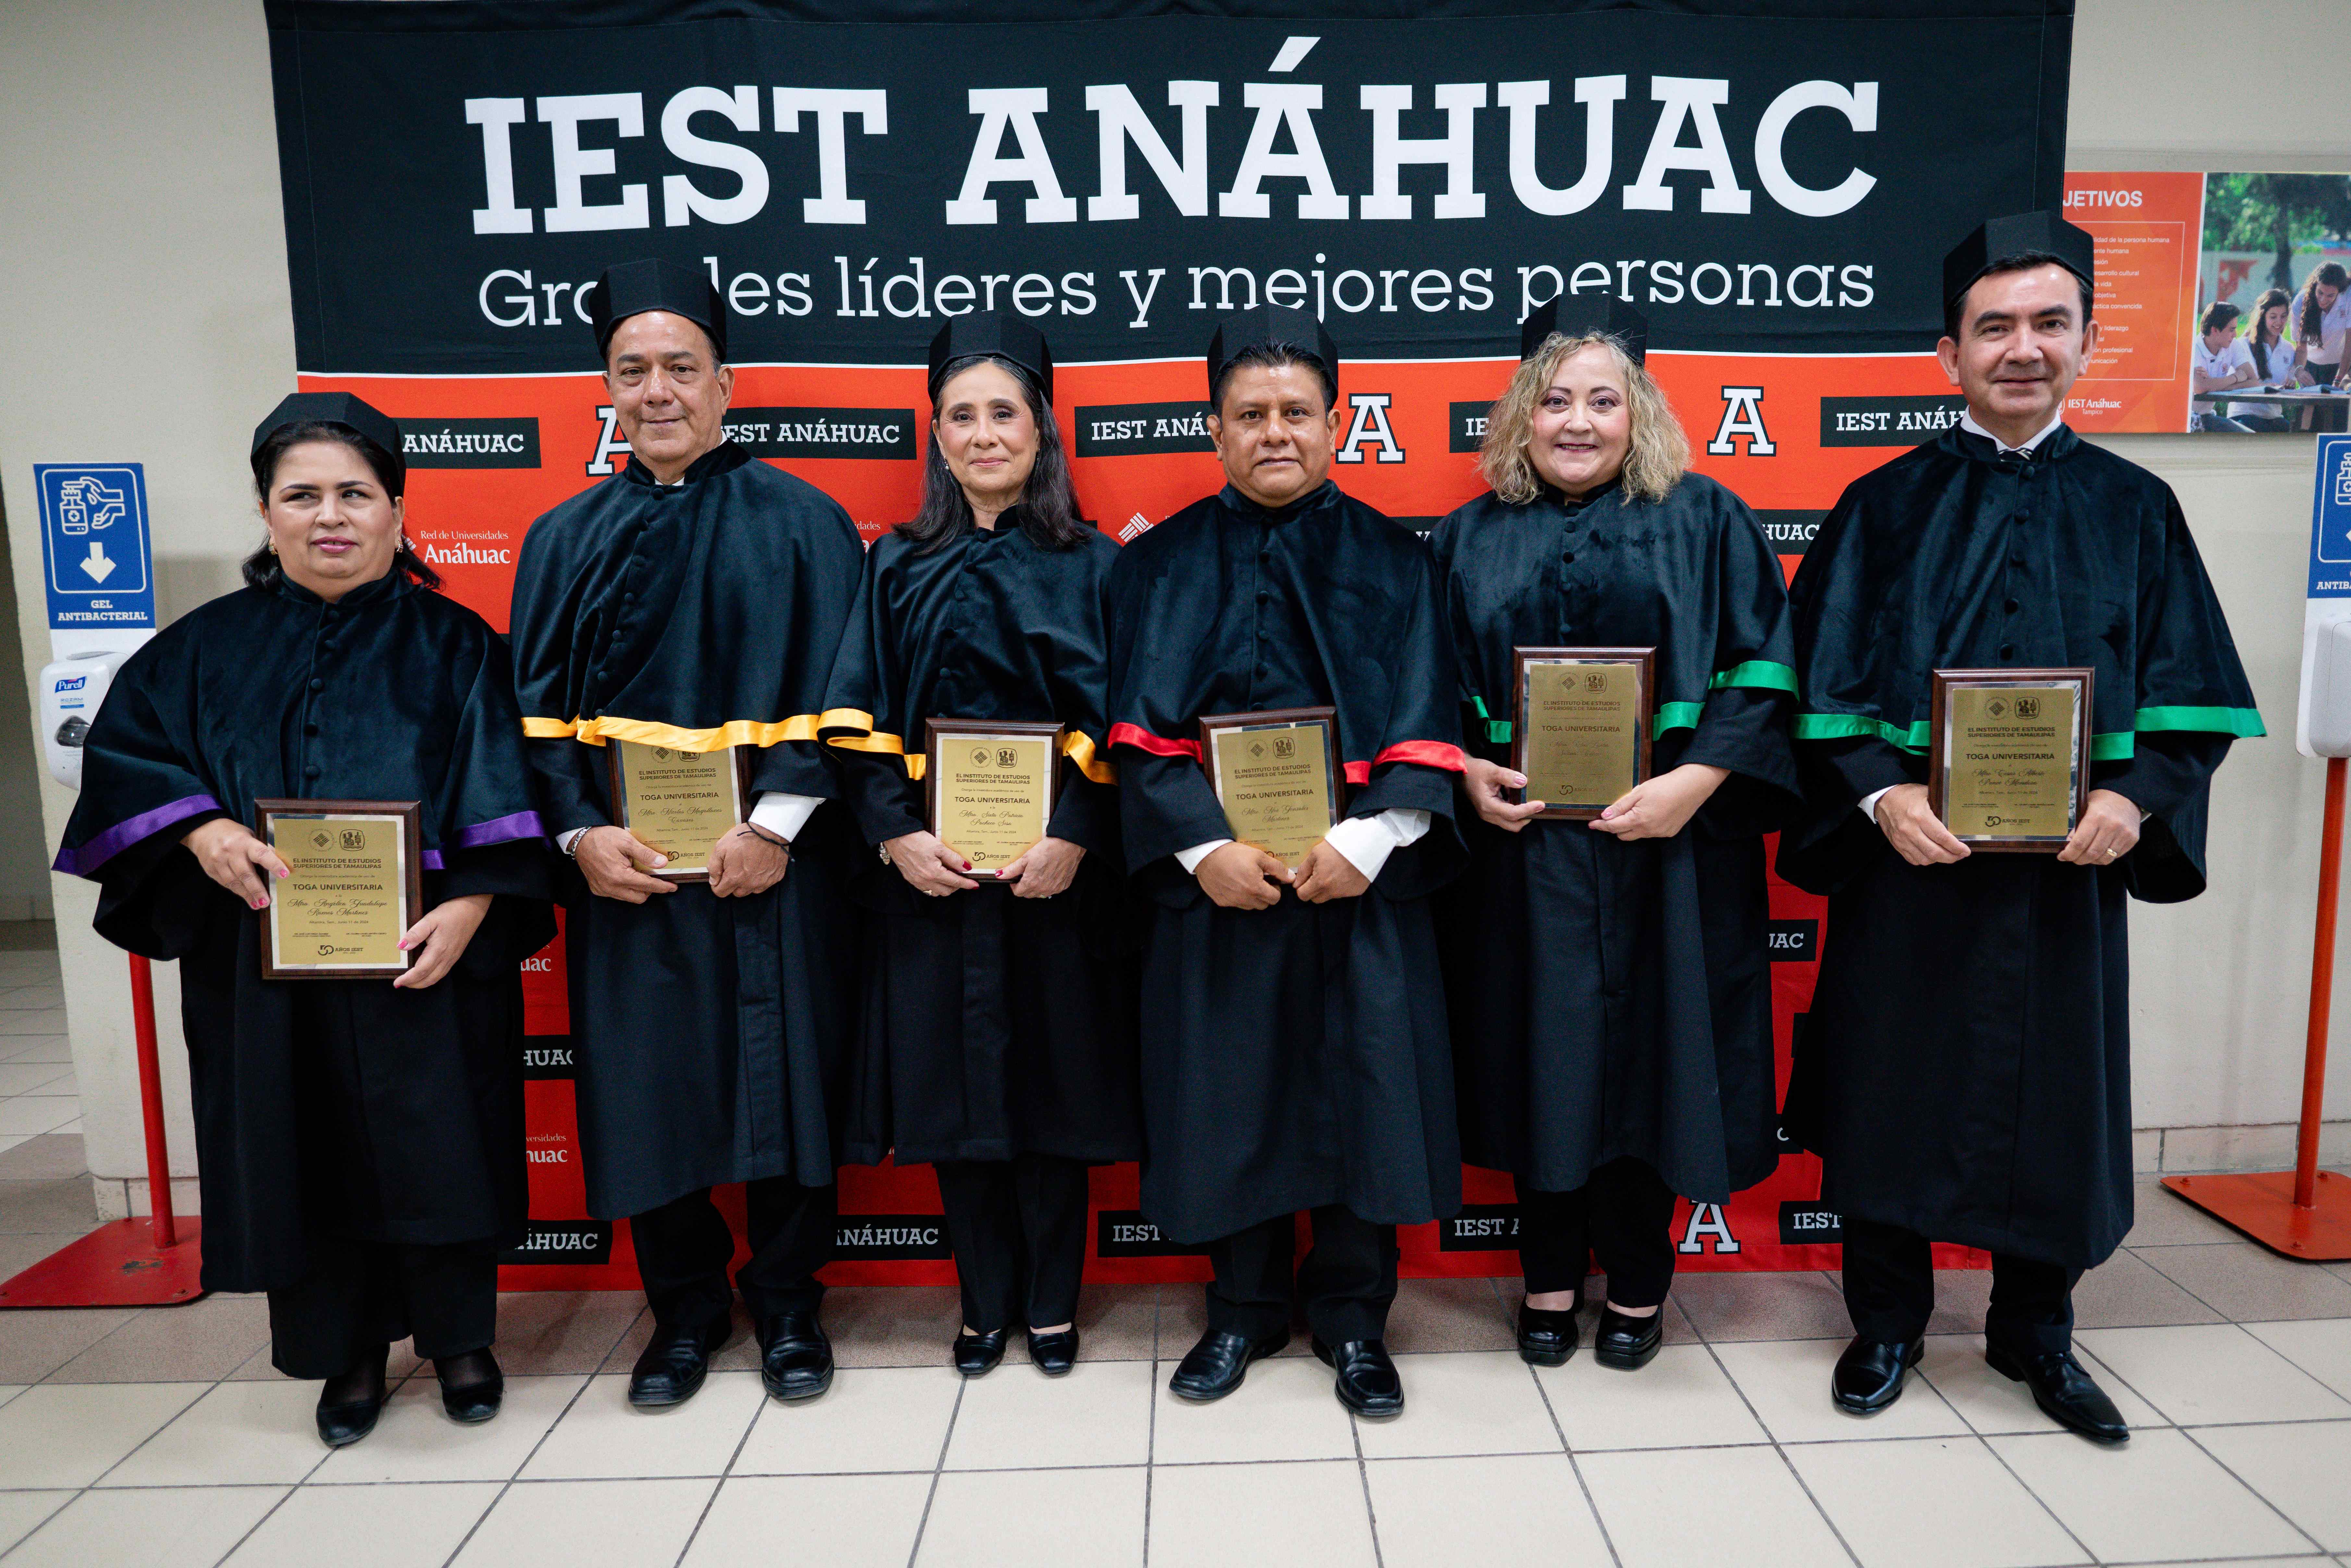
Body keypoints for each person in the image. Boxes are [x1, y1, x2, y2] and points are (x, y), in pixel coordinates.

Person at [1780, 212, 2262, 1444]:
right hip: (1909, 871)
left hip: (2062, 879)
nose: (2021, 347)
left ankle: (2033, 1333)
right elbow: (1814, 692)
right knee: (1888, 1092)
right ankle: (1885, 1324)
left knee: (2051, 1104)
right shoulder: (1879, 506)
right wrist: (1882, 795)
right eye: (1992, 326)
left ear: (2086, 342)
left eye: (2049, 323)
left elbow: (2189, 695)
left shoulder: (2136, 508)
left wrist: (2130, 798)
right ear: (1947, 352)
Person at [55, 394, 553, 1447]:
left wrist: (471, 905)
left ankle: (461, 1341)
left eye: (354, 494)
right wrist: (199, 831)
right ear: (266, 509)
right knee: (298, 1149)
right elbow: (130, 763)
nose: (330, 516)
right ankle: (347, 1356)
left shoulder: (460, 648)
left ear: (396, 511)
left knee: (441, 1145)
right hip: (264, 967)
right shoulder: (197, 654)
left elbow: (511, 791)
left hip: (423, 960)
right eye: (303, 495)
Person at [508, 260, 864, 1410]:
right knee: (648, 1092)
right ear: (607, 389)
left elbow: (844, 693)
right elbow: (535, 720)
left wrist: (775, 824)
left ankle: (791, 1305)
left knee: (787, 1083)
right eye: (632, 370)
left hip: (777, 867)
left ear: (724, 383)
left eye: (679, 366)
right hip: (632, 875)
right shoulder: (562, 538)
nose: (655, 390)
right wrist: (578, 835)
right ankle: (686, 1312)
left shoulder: (805, 523)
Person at [1106, 306, 1467, 1419]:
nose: (1275, 432)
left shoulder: (1400, 562)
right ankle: (1242, 1310)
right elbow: (1133, 732)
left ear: (1336, 424)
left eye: (1296, 412)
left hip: (1355, 886)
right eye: (1250, 413)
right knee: (1228, 1098)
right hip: (1217, 893)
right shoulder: (1154, 566)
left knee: (1363, 1096)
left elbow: (1426, 718)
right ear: (1214, 428)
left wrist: (1367, 841)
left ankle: (1355, 1320)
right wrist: (1202, 848)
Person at [1429, 298, 1798, 1371]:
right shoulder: (1467, 537)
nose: (1578, 421)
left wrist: (1696, 780)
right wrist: (1465, 772)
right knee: (1539, 1064)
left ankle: (1638, 1285)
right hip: (1524, 857)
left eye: (1603, 399)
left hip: (1669, 852)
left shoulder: (1708, 520)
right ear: (1522, 414)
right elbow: (1426, 690)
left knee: (1654, 1067)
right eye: (1555, 401)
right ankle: (1546, 1280)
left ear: (1638, 411)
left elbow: (1765, 673)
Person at [820, 314, 1139, 1378]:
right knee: (952, 1102)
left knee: (1052, 1097)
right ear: (937, 435)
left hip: (1056, 884)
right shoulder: (893, 565)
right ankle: (982, 1302)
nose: (984, 434)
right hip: (934, 884)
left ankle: (1050, 1305)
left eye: (1004, 413)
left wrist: (1075, 836)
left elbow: (1126, 719)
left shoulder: (1095, 566)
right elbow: (856, 717)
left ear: (1041, 429)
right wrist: (894, 834)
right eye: (961, 416)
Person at [2292, 262, 2350, 431]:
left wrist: (2339, 379)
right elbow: (2301, 348)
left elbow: (2349, 346)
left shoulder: (2349, 298)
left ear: (2340, 291)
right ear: (2315, 285)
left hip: (2342, 365)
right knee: (2308, 424)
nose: (2324, 300)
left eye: (2331, 296)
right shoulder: (2301, 301)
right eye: (2320, 293)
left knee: (2338, 422)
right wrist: (2300, 370)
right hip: (2312, 364)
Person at [2188, 301, 2262, 432]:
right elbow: (2200, 388)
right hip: (2185, 420)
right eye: (2232, 330)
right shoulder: (2194, 348)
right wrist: (2235, 378)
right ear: (2215, 330)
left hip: (2206, 417)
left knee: (2251, 439)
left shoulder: (2233, 345)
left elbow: (2254, 381)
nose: (2236, 334)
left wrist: (2213, 385)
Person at [2235, 288, 2297, 431]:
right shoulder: (2243, 345)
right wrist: (2264, 387)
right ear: (2263, 317)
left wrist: (2289, 387)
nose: (2279, 322)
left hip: (2275, 418)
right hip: (2245, 416)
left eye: (2283, 317)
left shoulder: (2289, 349)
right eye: (2273, 317)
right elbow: (2233, 384)